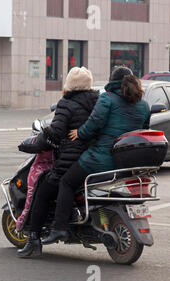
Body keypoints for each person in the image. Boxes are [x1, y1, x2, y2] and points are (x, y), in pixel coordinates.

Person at [42, 66, 150, 245]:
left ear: (112, 81)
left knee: (67, 182)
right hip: (128, 161)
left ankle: (59, 228)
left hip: (101, 158)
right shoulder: (143, 105)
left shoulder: (107, 98)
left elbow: (95, 122)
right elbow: (143, 130)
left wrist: (80, 133)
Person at [17, 67, 99, 258]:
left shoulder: (66, 103)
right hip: (93, 158)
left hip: (70, 160)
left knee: (42, 191)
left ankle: (34, 240)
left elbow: (55, 133)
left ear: (70, 84)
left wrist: (37, 142)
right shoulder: (97, 102)